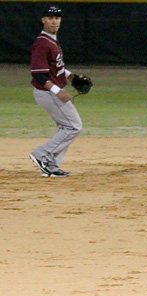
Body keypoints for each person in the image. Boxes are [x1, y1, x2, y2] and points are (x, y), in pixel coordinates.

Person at [28, 5, 83, 178]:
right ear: (43, 20)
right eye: (50, 18)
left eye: (57, 18)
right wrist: (58, 90)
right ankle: (42, 154)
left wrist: (72, 78)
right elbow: (39, 75)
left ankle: (51, 166)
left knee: (66, 127)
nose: (54, 21)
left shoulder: (52, 40)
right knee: (73, 127)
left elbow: (57, 68)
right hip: (47, 93)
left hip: (51, 92)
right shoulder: (42, 43)